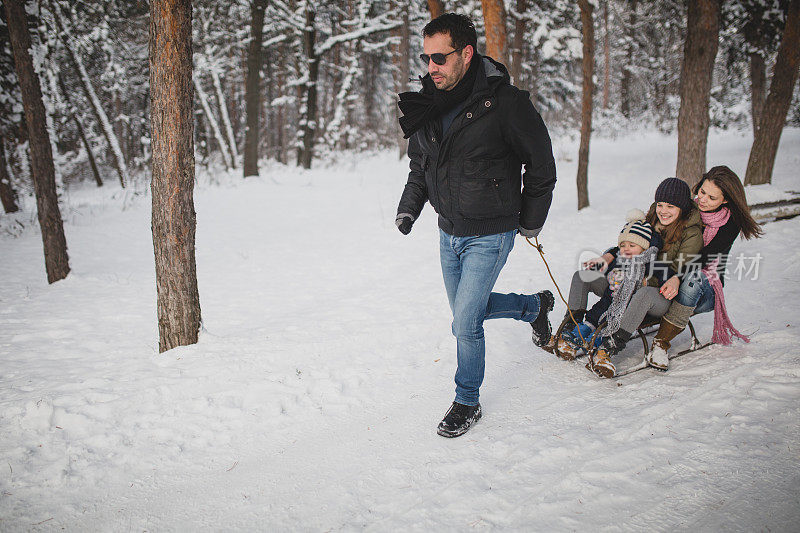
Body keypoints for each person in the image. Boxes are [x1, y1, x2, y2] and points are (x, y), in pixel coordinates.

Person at [395, 13, 557, 438]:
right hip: (449, 232)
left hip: (490, 230)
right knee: (471, 311)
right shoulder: (428, 104)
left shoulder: (504, 103)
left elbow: (540, 163)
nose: (431, 67)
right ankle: (534, 307)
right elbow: (420, 166)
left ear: (466, 54)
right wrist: (409, 207)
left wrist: (530, 222)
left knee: (464, 322)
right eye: (426, 57)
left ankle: (467, 399)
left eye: (439, 57)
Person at [582, 177, 704, 377]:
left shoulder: (691, 233)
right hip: (632, 281)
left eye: (670, 206)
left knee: (644, 293)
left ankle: (608, 348)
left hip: (661, 293)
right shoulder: (652, 221)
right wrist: (611, 255)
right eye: (660, 205)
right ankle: (578, 328)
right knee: (586, 276)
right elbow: (631, 241)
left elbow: (678, 268)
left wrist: (645, 280)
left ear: (681, 208)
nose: (663, 210)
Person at [649, 166, 763, 366]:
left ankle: (661, 344)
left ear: (725, 200)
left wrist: (677, 277)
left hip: (704, 289)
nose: (702, 199)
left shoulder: (730, 223)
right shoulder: (685, 207)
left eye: (712, 198)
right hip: (670, 274)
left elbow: (703, 258)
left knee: (695, 278)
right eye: (702, 192)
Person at [556, 210, 662, 377]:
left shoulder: (648, 264)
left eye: (632, 246)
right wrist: (605, 262)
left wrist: (646, 282)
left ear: (644, 248)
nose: (626, 249)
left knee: (604, 329)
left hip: (626, 310)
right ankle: (572, 340)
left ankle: (600, 353)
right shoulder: (618, 258)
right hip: (607, 303)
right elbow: (612, 258)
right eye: (623, 245)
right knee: (591, 321)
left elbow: (661, 277)